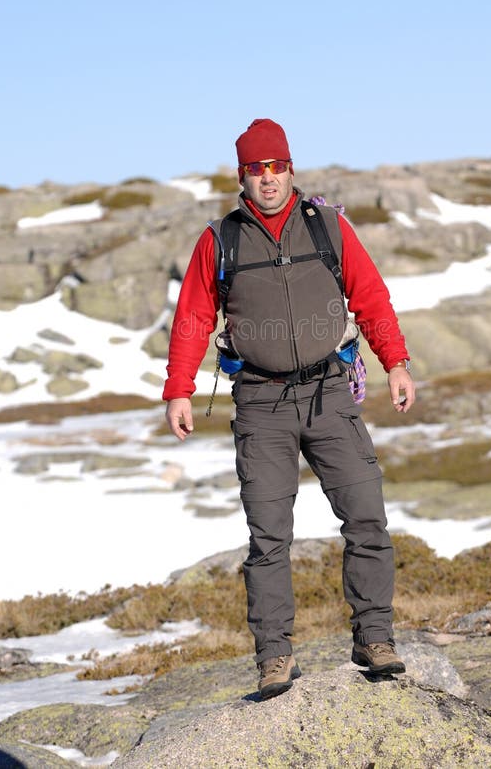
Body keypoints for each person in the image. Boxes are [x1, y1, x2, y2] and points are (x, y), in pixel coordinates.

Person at [163, 118, 416, 700]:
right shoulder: (220, 238)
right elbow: (195, 317)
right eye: (257, 169)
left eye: (277, 166)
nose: (269, 178)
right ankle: (275, 657)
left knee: (367, 519)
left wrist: (396, 363)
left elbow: (370, 295)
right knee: (269, 539)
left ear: (290, 168)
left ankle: (375, 638)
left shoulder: (327, 225)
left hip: (329, 394)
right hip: (259, 403)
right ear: (242, 177)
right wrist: (179, 389)